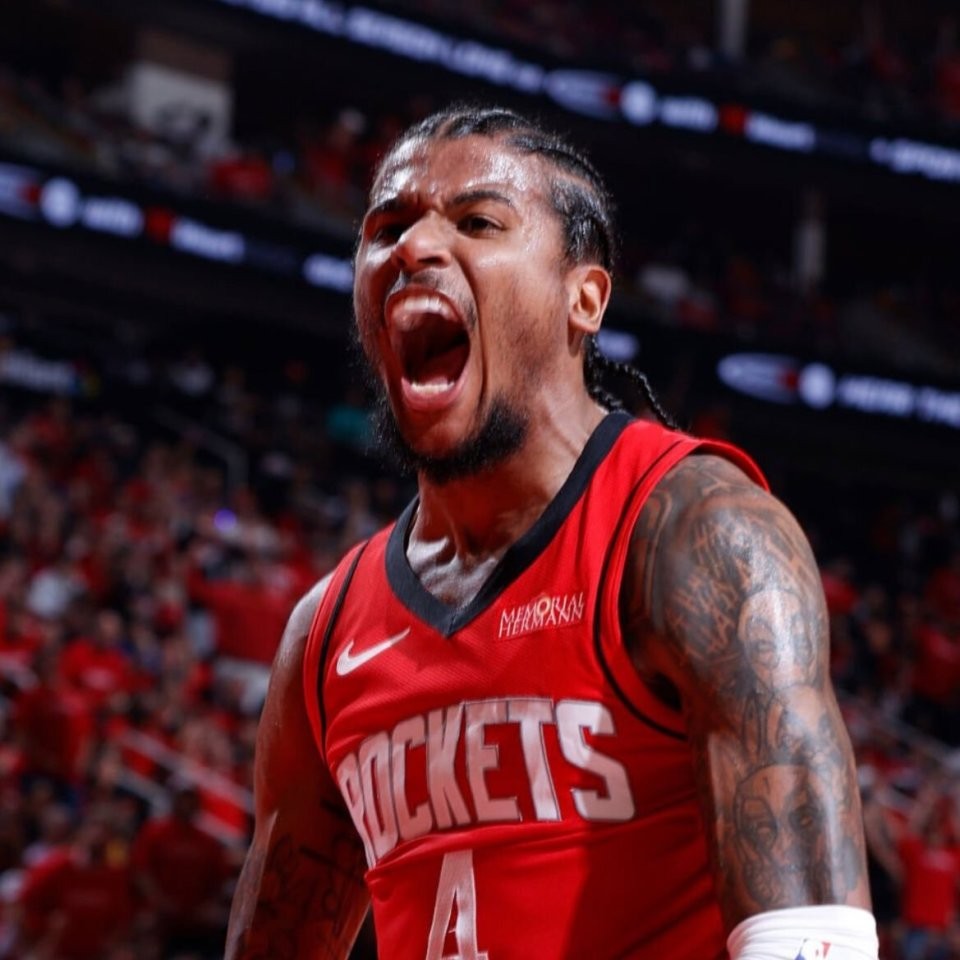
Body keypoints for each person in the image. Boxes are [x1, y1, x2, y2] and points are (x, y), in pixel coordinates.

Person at [226, 103, 878, 959]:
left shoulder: (697, 535)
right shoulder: (325, 633)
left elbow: (816, 940)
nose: (413, 247)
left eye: (477, 222)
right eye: (387, 228)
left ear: (585, 298)